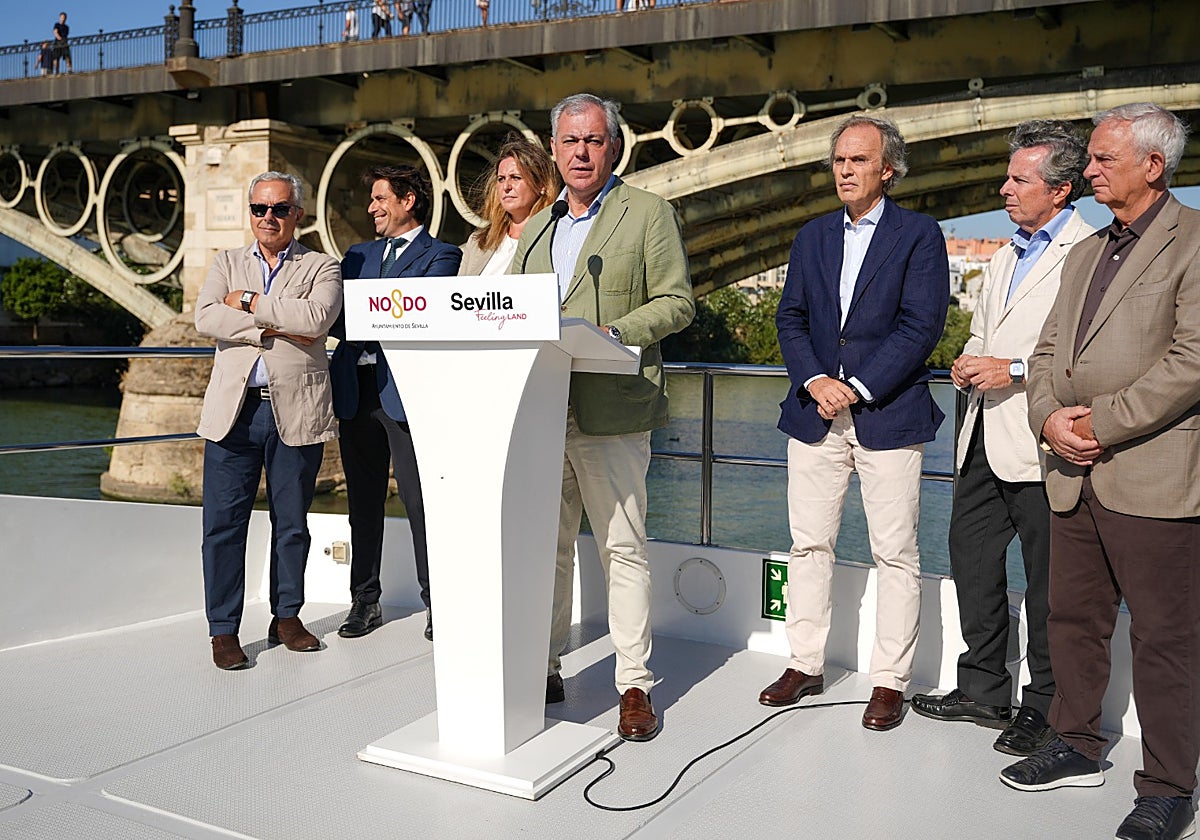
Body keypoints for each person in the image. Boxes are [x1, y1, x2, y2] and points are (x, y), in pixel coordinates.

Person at [999, 103, 1199, 840]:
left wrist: (1100, 423)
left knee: (1164, 637)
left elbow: (1192, 360)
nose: (1088, 170)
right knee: (1072, 619)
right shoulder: (1085, 252)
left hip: (1151, 473)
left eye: (1104, 159)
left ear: (1153, 165)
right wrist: (1049, 417)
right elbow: (1048, 353)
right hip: (1071, 468)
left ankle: (1170, 785)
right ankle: (1076, 743)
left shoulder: (1195, 242)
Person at [512, 93, 695, 742]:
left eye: (593, 141)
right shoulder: (536, 228)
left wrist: (613, 330)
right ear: (554, 149)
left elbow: (677, 303)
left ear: (612, 147)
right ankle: (545, 666)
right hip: (541, 411)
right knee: (548, 548)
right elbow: (512, 309)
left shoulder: (647, 213)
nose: (580, 152)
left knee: (623, 548)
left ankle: (634, 686)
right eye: (569, 141)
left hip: (613, 408)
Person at [759, 114, 949, 731]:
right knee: (807, 543)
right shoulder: (811, 236)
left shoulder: (920, 235)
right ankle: (805, 663)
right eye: (838, 160)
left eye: (858, 160)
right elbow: (791, 319)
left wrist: (858, 388)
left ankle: (889, 680)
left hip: (887, 414)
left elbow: (921, 327)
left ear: (887, 170)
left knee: (895, 551)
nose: (844, 170)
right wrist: (816, 380)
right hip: (815, 412)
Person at [909, 121, 1094, 754]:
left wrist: (1011, 371)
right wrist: (969, 360)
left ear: (1061, 189)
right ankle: (984, 689)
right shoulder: (1006, 254)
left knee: (1048, 584)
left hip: (1042, 442)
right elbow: (987, 334)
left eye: (1019, 179)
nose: (1004, 188)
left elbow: (1081, 357)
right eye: (1007, 176)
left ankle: (1043, 706)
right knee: (973, 562)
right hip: (981, 434)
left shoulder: (1089, 252)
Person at [194, 172, 342, 671]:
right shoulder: (226, 262)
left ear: (298, 214)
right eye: (259, 209)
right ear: (250, 213)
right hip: (234, 413)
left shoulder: (323, 266)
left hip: (295, 411)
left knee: (292, 523)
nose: (269, 218)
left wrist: (251, 305)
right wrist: (279, 325)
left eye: (279, 209)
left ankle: (287, 617)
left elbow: (317, 321)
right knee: (222, 525)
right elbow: (206, 318)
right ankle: (223, 631)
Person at [331, 166, 462, 642]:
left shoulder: (443, 254)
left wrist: (373, 313)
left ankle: (439, 603)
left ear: (408, 201)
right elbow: (339, 317)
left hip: (408, 394)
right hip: (356, 391)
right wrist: (387, 311)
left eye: (380, 198)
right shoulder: (356, 256)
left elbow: (425, 315)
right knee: (361, 504)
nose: (371, 208)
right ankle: (365, 602)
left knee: (419, 501)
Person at [459, 135, 558, 276]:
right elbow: (458, 293)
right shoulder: (478, 242)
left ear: (541, 184)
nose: (506, 186)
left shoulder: (553, 239)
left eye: (516, 178)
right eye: (501, 179)